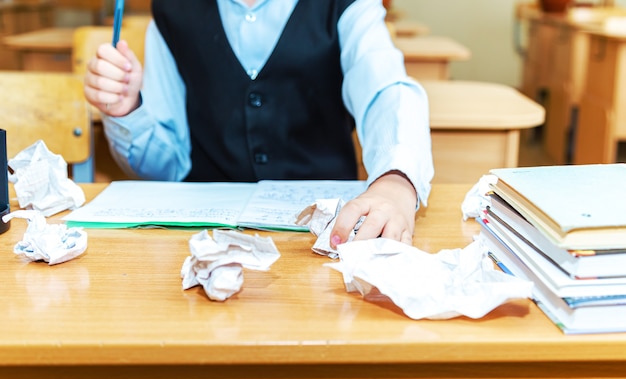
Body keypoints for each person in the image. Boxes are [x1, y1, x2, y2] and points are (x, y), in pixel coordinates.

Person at [83, 0, 434, 249]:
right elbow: (166, 167)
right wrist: (128, 110)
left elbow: (386, 90)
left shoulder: (348, 5)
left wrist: (395, 182)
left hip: (323, 238)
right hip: (202, 242)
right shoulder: (172, 13)